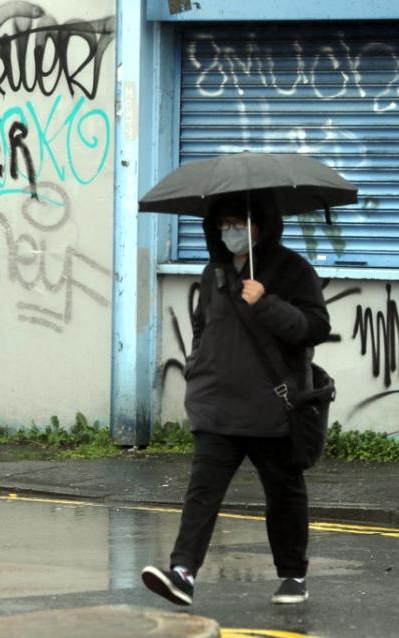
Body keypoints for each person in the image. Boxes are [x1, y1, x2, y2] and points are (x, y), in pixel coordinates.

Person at [141, 192, 331, 606]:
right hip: (218, 404)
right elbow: (202, 325)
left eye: (239, 224)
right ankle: (183, 572)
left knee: (283, 493)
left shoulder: (293, 270)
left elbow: (314, 326)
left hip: (273, 407)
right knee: (202, 491)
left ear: (262, 225)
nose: (231, 232)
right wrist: (197, 368)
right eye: (223, 224)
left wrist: (267, 303)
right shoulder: (215, 273)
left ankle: (293, 576)